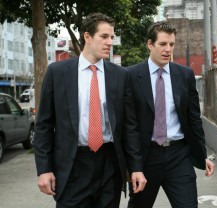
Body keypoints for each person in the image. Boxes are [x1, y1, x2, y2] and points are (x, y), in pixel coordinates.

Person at [33, 12, 146, 208]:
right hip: (73, 165)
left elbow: (130, 126)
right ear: (87, 36)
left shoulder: (120, 75)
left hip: (110, 165)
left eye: (111, 37)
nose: (110, 42)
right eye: (104, 36)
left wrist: (135, 167)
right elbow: (43, 125)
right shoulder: (58, 73)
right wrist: (44, 169)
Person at [127, 21, 215, 208]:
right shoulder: (131, 76)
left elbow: (193, 119)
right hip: (147, 156)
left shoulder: (184, 75)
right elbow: (130, 125)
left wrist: (202, 154)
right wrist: (134, 165)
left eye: (172, 44)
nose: (168, 49)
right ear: (150, 44)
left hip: (179, 155)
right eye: (162, 44)